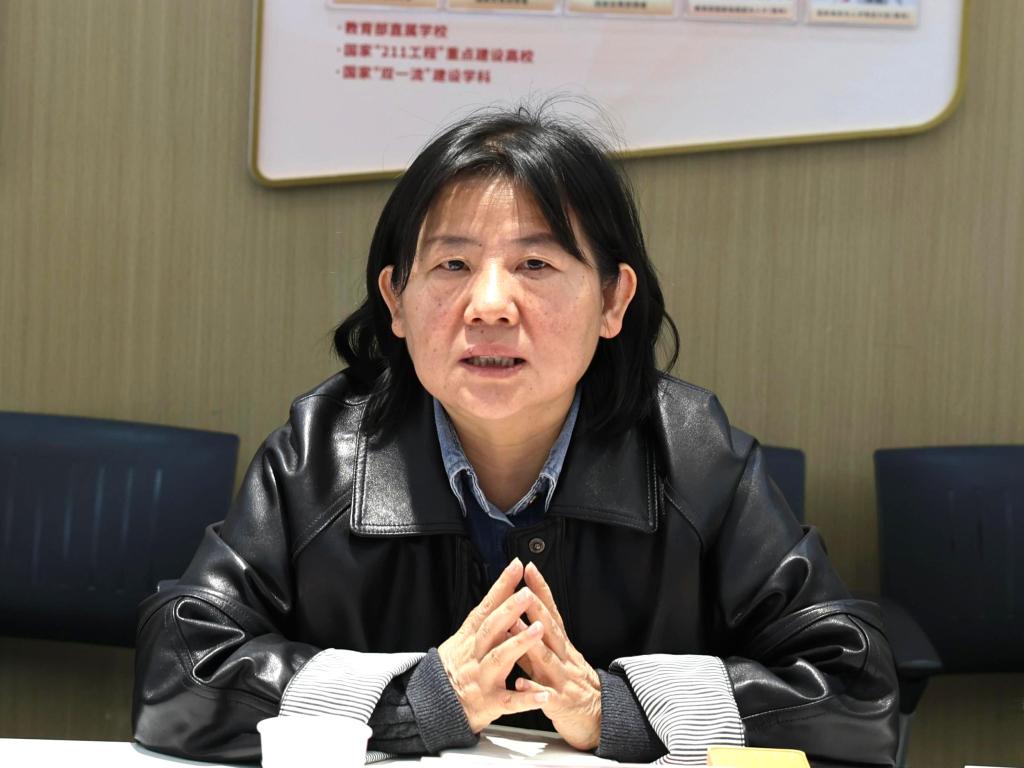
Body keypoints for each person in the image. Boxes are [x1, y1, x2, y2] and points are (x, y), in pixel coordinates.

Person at [132, 106, 899, 766]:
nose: (490, 304)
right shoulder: (318, 458)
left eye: (534, 262)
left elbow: (856, 694)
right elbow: (178, 671)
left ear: (612, 300)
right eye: (453, 263)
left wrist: (620, 710)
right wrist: (415, 701)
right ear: (396, 301)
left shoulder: (695, 458)